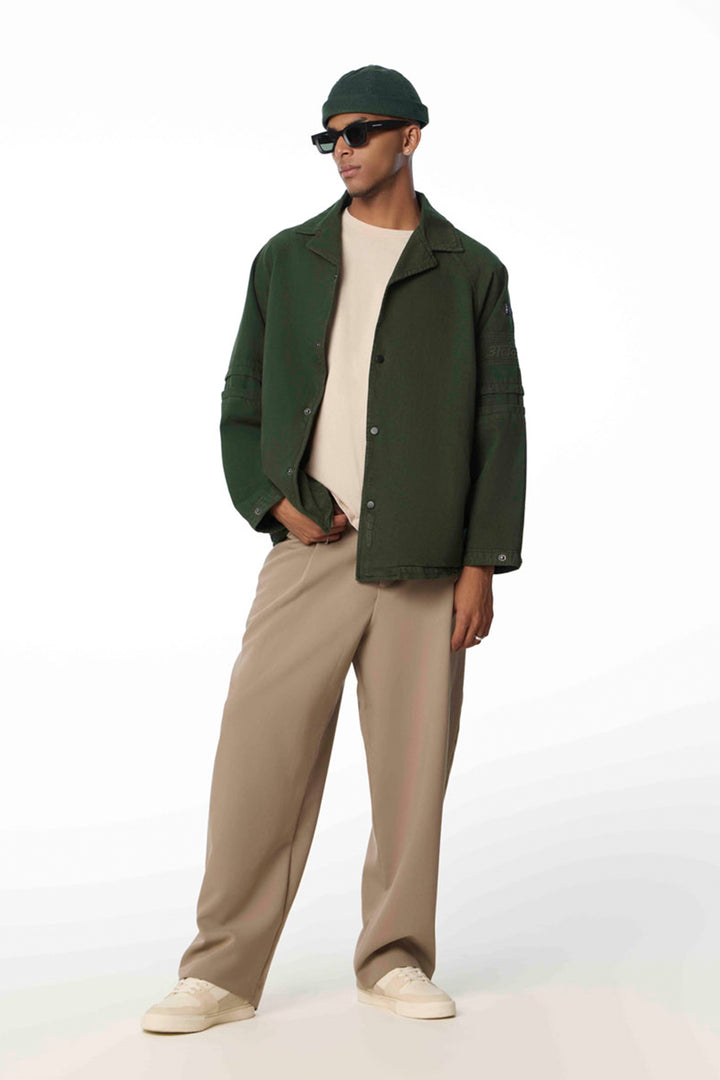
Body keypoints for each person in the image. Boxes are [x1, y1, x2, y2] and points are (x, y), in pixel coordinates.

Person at [142, 63, 527, 1033]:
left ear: (411, 136)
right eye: (329, 136)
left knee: (411, 774)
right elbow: (240, 402)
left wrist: (482, 562)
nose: (342, 150)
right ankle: (221, 972)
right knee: (257, 757)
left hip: (428, 559)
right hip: (311, 550)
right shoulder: (287, 260)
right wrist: (275, 502)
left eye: (359, 131)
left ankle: (395, 958)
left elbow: (500, 423)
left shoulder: (470, 271)